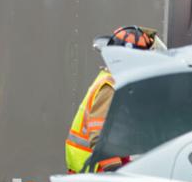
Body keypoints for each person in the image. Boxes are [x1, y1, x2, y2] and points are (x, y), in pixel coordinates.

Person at [66, 25, 158, 173]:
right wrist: (113, 168)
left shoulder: (116, 82)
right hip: (96, 172)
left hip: (94, 171)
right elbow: (99, 133)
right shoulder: (111, 86)